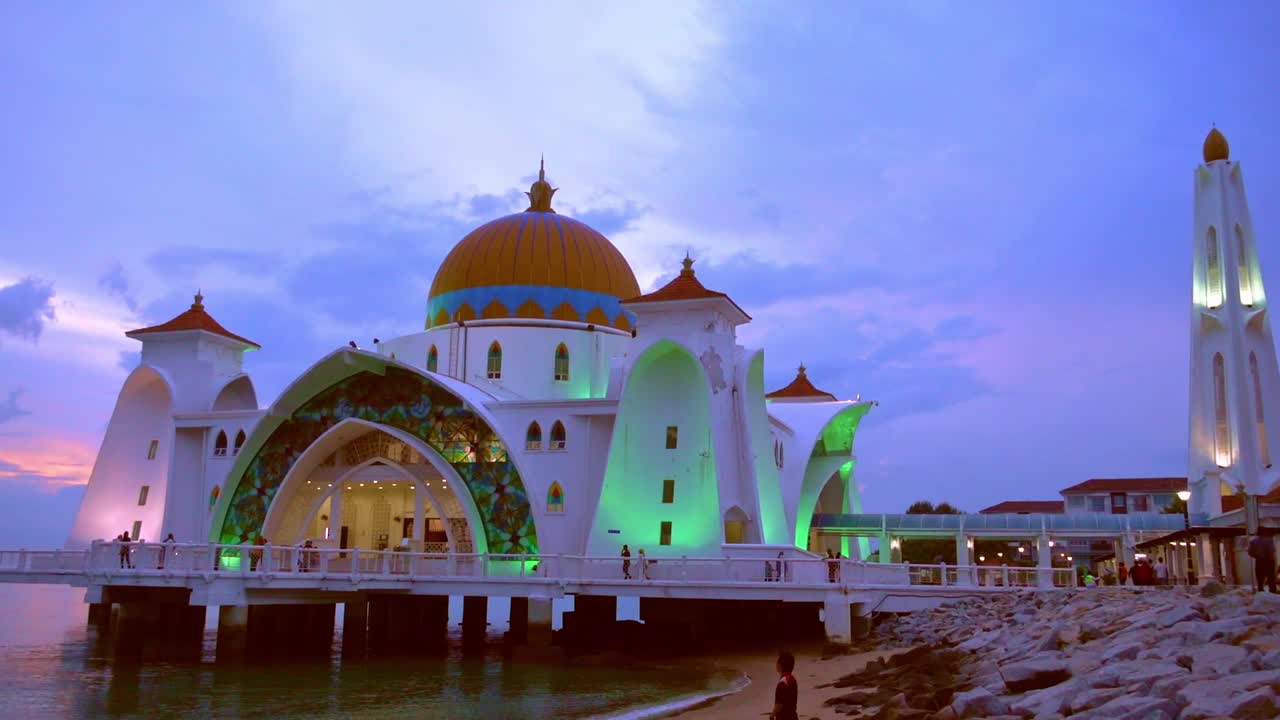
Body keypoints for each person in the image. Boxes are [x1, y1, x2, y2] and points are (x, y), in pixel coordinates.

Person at [771, 650, 798, 720]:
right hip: (793, 716)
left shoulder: (782, 682)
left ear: (780, 665)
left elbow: (779, 704)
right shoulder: (792, 679)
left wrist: (772, 715)